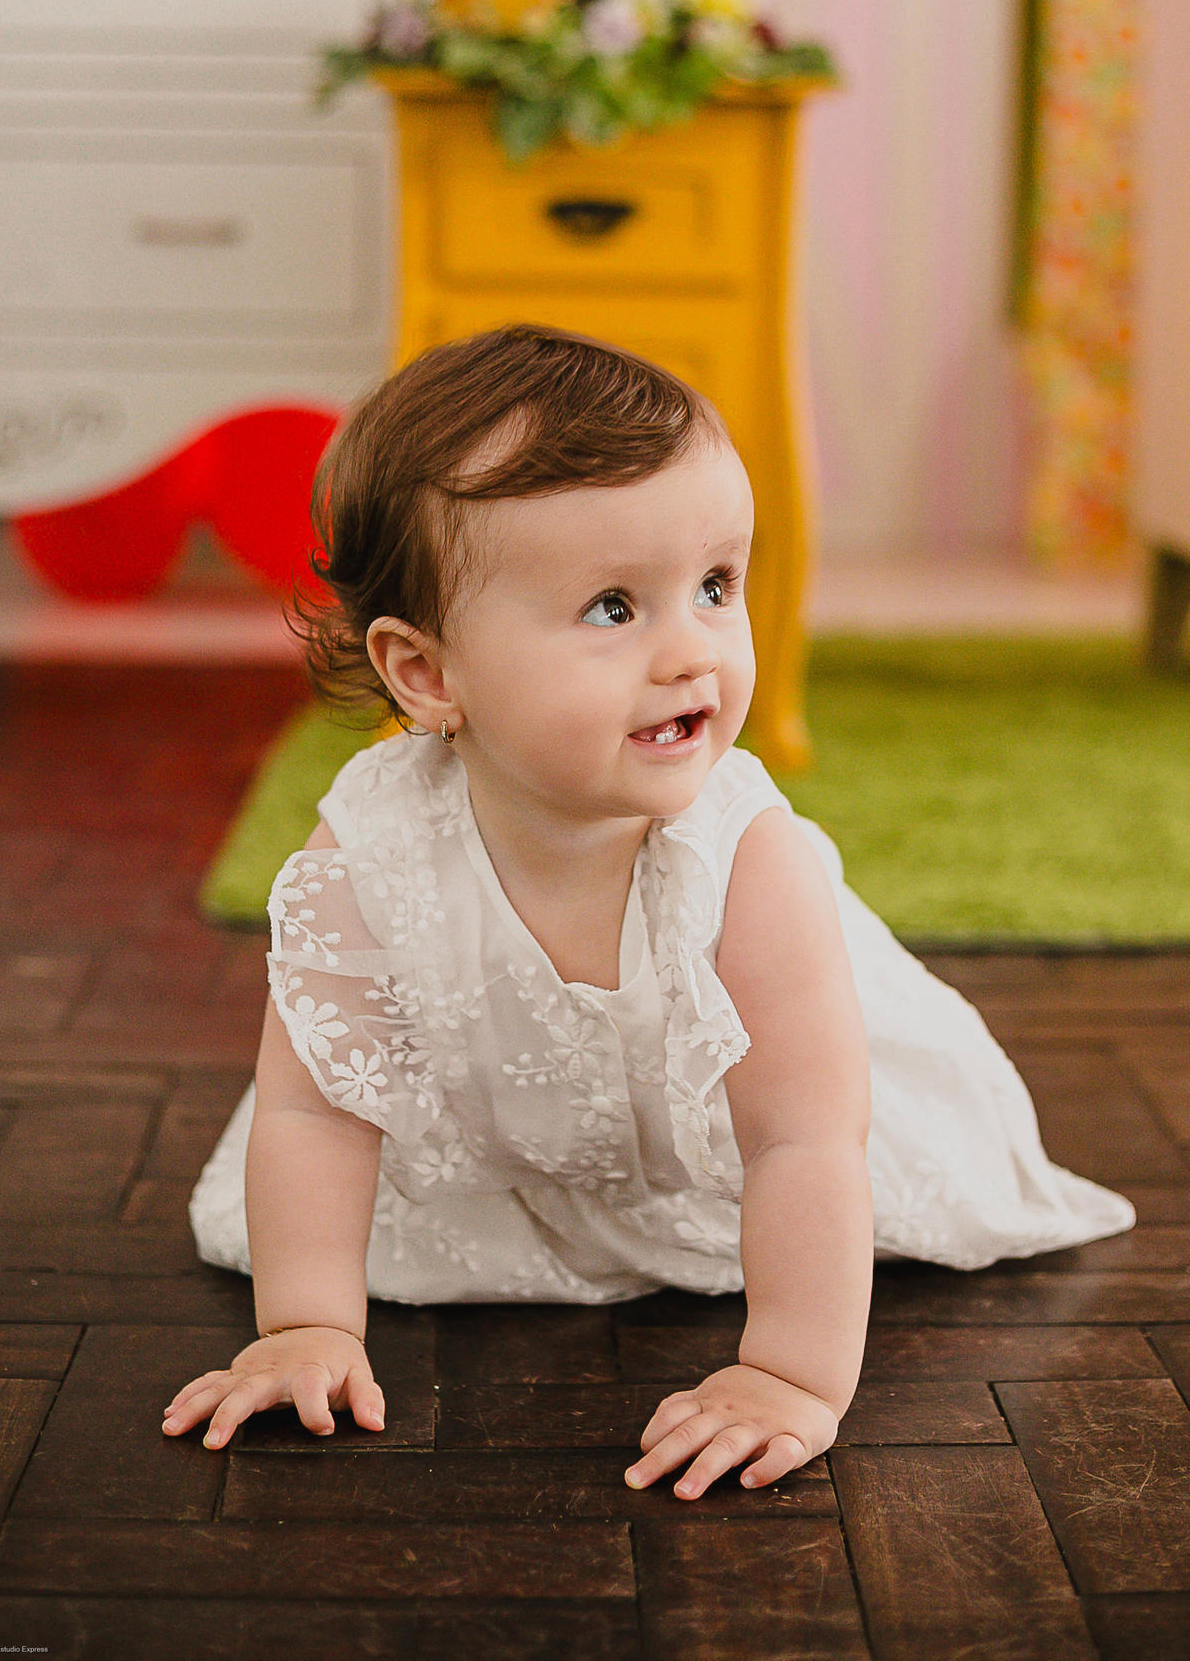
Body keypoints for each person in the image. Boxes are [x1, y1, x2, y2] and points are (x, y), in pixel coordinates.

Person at [168, 325, 1134, 1497]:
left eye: (716, 587)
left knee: (838, 1165)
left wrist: (791, 1374)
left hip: (753, 1159)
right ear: (426, 675)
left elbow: (804, 1139)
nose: (692, 651)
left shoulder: (745, 864)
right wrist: (306, 1323)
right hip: (510, 1150)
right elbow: (320, 1112)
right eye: (614, 608)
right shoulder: (371, 849)